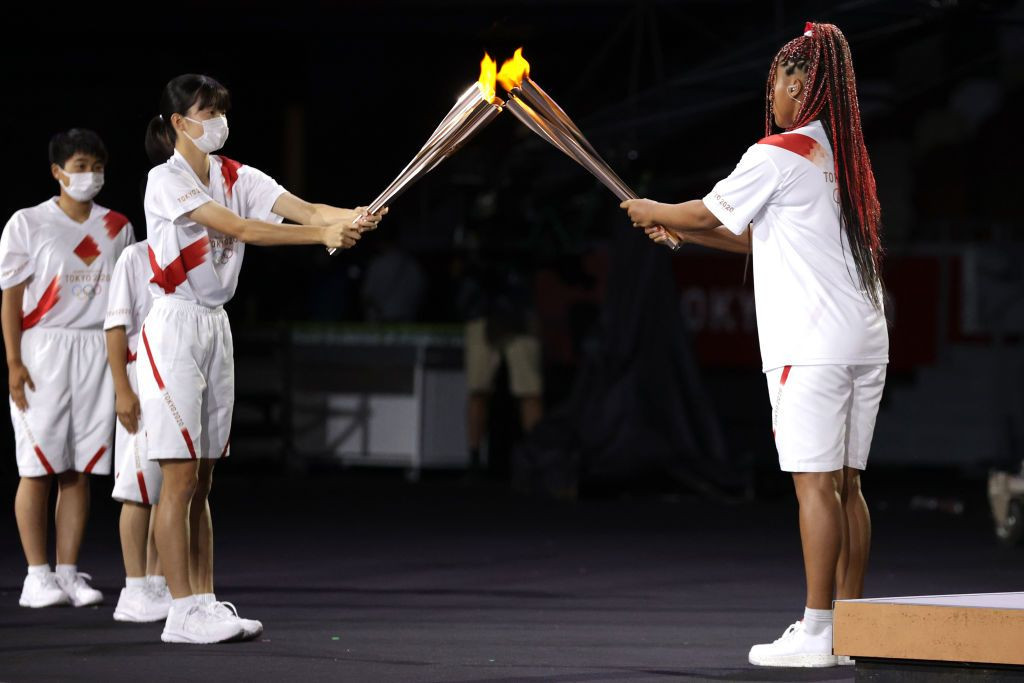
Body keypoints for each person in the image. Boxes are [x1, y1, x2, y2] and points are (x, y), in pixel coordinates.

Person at [622, 22, 887, 668]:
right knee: (848, 485)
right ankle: (848, 628)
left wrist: (654, 208)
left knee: (814, 487)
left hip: (811, 343)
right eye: (776, 79)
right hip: (865, 338)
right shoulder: (837, 158)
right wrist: (683, 232)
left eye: (785, 80)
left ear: (806, 85)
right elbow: (750, 235)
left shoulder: (773, 153)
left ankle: (818, 629)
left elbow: (708, 212)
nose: (778, 91)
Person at [140, 73, 383, 644]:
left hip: (214, 327)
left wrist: (349, 216)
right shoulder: (165, 180)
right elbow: (243, 229)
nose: (219, 122)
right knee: (177, 479)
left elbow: (303, 208)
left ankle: (202, 601)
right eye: (209, 112)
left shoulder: (237, 175)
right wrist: (323, 236)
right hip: (174, 324)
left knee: (202, 480)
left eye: (224, 111)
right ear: (180, 122)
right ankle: (178, 613)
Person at [2, 128, 135, 608]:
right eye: (80, 166)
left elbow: (127, 301)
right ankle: (36, 575)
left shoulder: (118, 226)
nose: (90, 175)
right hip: (43, 350)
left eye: (97, 166)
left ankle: (67, 572)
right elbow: (11, 300)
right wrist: (14, 362)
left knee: (80, 469)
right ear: (58, 172)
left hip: (98, 350)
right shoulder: (27, 223)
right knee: (37, 466)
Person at [105, 239, 171, 622]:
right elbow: (116, 325)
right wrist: (122, 389)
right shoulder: (135, 256)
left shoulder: (200, 248)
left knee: (171, 488)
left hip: (178, 373)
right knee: (137, 489)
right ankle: (133, 589)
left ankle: (157, 583)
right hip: (141, 375)